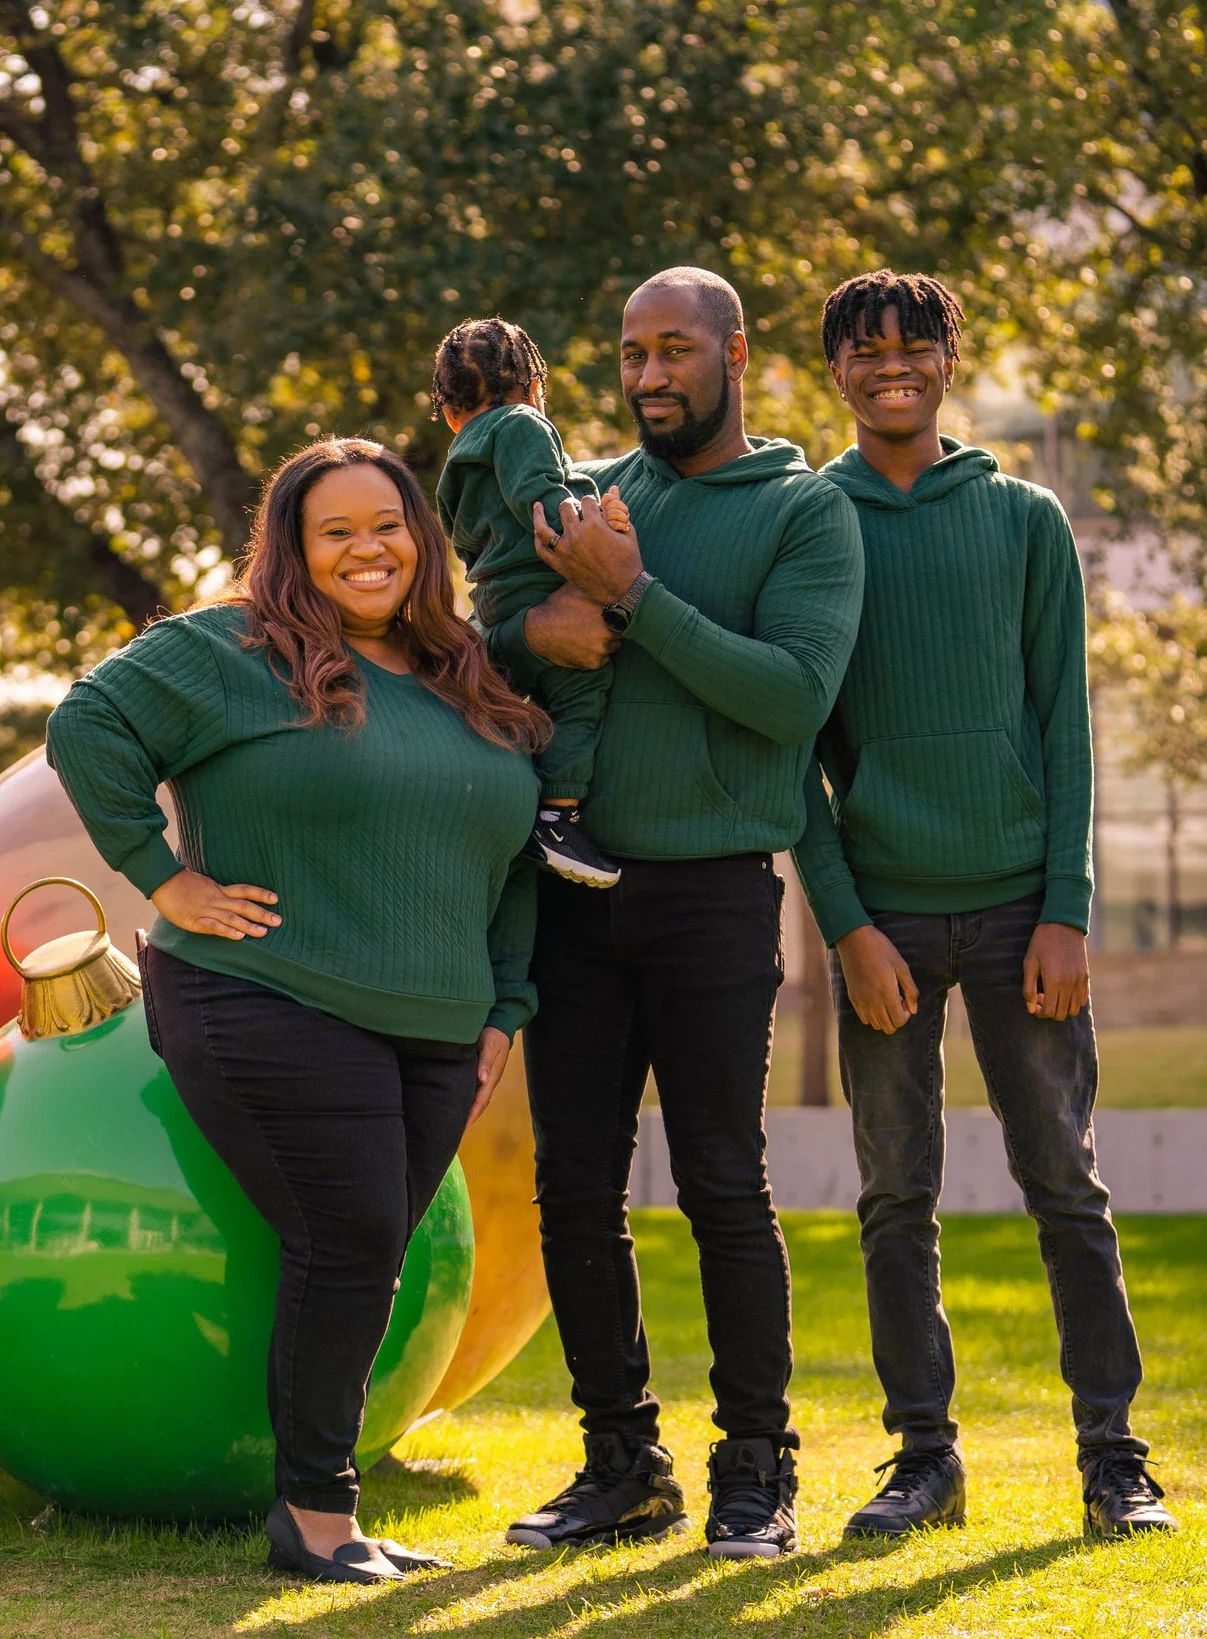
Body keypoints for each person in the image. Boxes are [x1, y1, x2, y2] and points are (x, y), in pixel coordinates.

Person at [45, 438, 548, 1584]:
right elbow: (86, 723)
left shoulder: (466, 674)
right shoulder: (234, 651)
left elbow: (516, 867)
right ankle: (317, 1516)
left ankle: (323, 1506)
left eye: (388, 524)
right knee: (352, 1239)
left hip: (438, 1026)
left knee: (365, 1258)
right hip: (264, 992)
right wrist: (163, 876)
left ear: (420, 539)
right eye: (336, 531)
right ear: (294, 548)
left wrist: (503, 1009)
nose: (368, 548)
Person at [792, 268, 1177, 1541]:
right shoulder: (811, 526)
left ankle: (1114, 1458)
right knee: (894, 1196)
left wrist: (1068, 904)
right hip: (885, 922)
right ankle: (924, 1460)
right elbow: (790, 750)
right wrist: (845, 924)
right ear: (835, 370)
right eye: (864, 349)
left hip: (1022, 912)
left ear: (947, 360)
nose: (889, 364)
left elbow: (1065, 723)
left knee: (1063, 1180)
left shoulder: (1023, 519)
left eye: (913, 344)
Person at [489, 267, 864, 1559]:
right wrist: (539, 630)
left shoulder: (805, 513)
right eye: (631, 353)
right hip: (572, 887)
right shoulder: (590, 497)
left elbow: (793, 696)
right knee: (573, 1187)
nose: (649, 375)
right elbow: (490, 642)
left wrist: (634, 596)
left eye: (674, 350)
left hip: (713, 893)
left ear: (735, 353)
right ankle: (621, 1465)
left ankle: (756, 1467)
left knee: (721, 1184)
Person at [432, 316, 631, 888]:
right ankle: (556, 817)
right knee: (581, 692)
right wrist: (594, 528)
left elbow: (461, 539)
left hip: (494, 597)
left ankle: (510, 801)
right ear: (534, 386)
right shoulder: (522, 422)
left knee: (523, 708)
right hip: (541, 583)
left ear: (449, 411)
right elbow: (540, 496)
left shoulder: (456, 463)